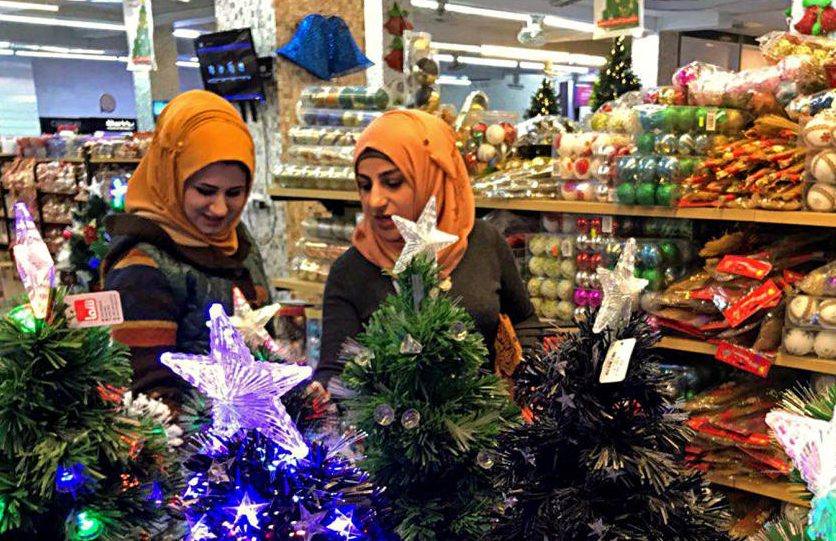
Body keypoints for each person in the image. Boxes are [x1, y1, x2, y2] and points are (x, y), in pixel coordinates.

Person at [316, 109, 537, 388]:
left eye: (393, 182)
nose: (374, 201)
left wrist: (523, 378)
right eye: (364, 185)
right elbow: (334, 373)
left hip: (490, 425)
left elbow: (525, 320)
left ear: (433, 178)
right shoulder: (351, 270)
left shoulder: (483, 243)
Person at [104, 90, 271, 401]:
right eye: (205, 191)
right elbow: (148, 397)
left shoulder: (238, 241)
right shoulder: (140, 265)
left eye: (234, 193)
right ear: (171, 176)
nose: (220, 209)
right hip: (196, 444)